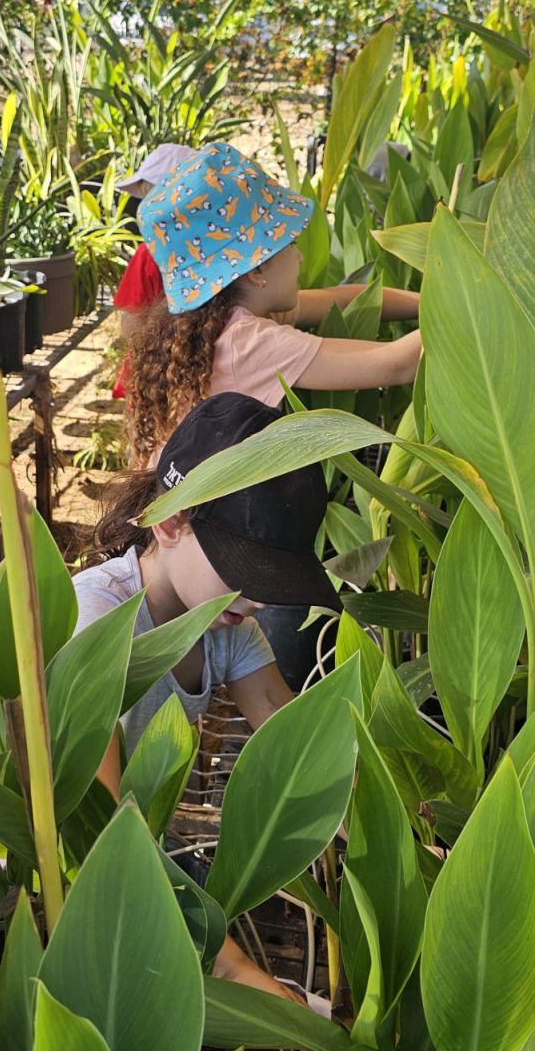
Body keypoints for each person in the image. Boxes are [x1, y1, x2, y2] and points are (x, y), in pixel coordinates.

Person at [72, 391, 337, 1001]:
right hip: (71, 884)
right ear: (171, 523)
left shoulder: (225, 628)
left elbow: (296, 742)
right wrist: (234, 969)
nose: (261, 601)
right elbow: (98, 829)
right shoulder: (99, 624)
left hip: (149, 858)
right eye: (245, 573)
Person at [124, 141, 423, 464]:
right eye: (290, 242)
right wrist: (469, 301)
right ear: (258, 268)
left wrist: (427, 300)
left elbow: (346, 298)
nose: (300, 255)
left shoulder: (214, 321)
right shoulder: (248, 344)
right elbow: (398, 364)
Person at [112, 144, 197, 398]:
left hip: (153, 371)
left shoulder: (149, 254)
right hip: (197, 366)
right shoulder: (212, 250)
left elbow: (131, 326)